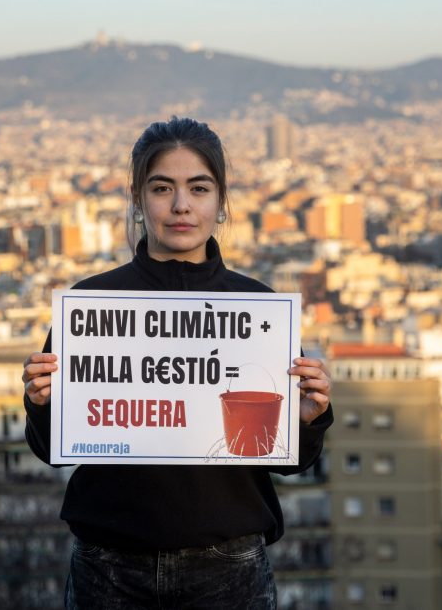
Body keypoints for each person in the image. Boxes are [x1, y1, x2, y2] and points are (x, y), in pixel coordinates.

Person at [22, 117, 333, 609]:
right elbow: (51, 448)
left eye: (199, 188)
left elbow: (291, 461)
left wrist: (308, 419)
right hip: (110, 566)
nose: (182, 205)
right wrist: (41, 402)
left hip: (228, 567)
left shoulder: (259, 310)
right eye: (163, 187)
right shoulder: (92, 305)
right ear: (138, 199)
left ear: (221, 202)